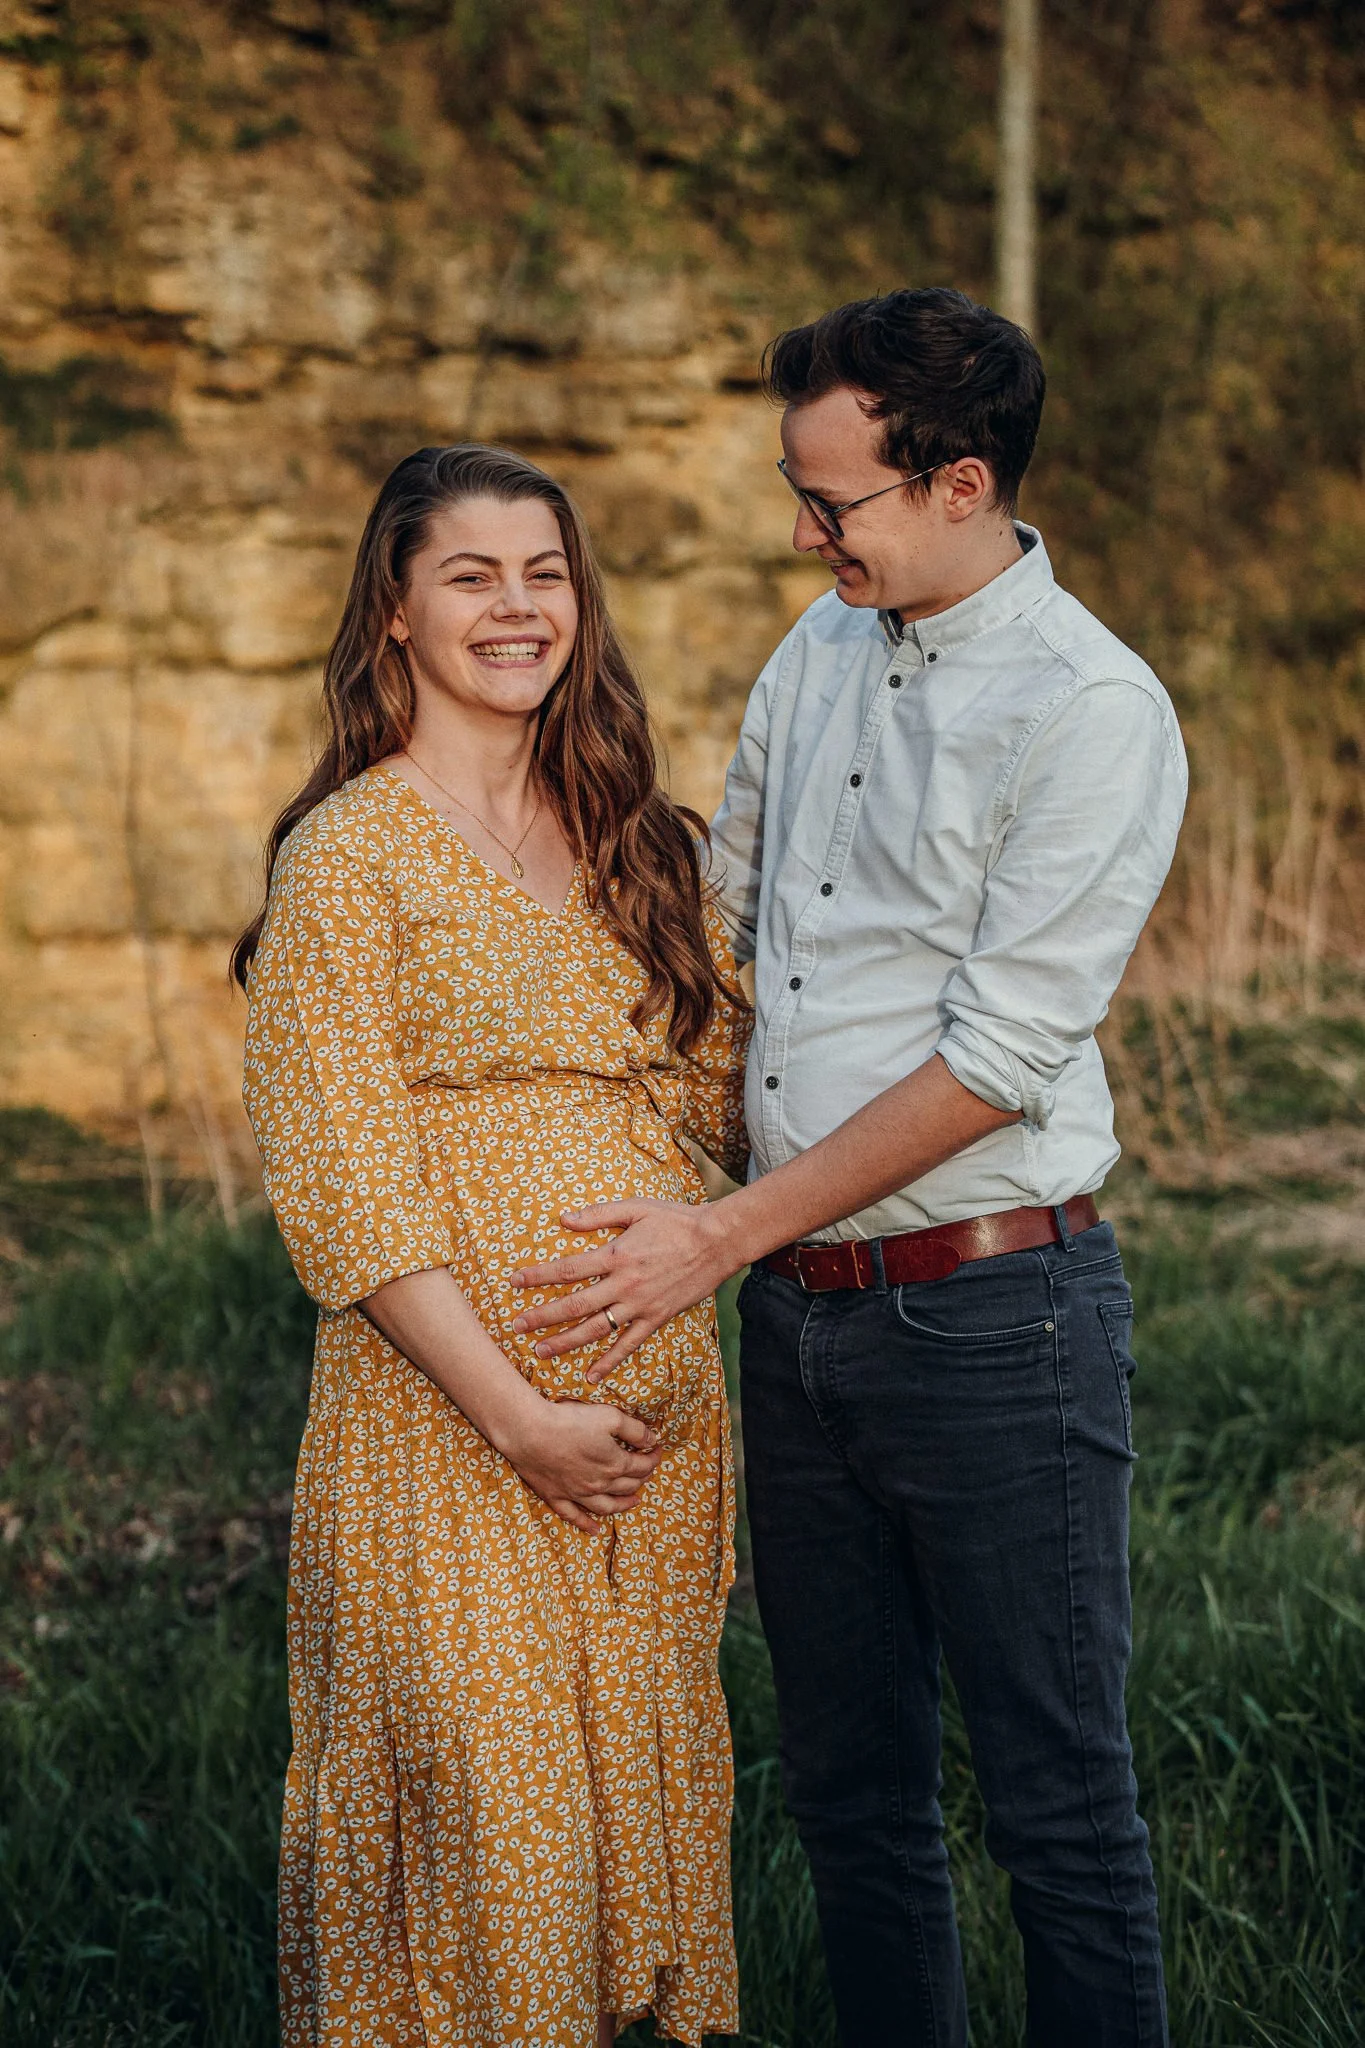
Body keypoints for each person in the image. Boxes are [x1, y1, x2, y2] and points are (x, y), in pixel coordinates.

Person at [511, 288, 1187, 2046]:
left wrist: (711, 1238)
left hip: (998, 1321)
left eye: (838, 504)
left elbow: (996, 1060)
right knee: (853, 1804)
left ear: (961, 483)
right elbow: (722, 933)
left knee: (1060, 1812)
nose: (805, 534)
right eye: (798, 491)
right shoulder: (814, 649)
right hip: (800, 1334)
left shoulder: (1093, 710)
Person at [234, 443, 750, 2048]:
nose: (517, 608)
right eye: (472, 575)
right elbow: (345, 1185)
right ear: (395, 612)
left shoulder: (642, 844)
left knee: (621, 1840)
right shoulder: (347, 859)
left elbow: (731, 1110)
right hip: (448, 1441)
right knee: (486, 1835)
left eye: (547, 574)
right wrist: (520, 1420)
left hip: (647, 1456)